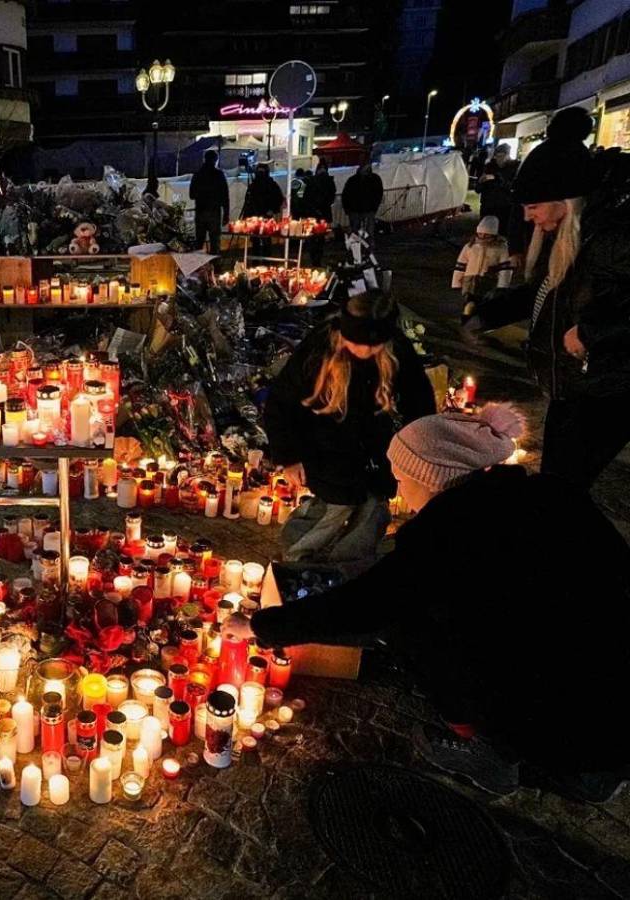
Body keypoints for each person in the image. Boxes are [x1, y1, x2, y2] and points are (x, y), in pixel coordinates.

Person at [245, 404, 630, 801]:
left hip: (571, 722)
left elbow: (364, 606)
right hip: (617, 683)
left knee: (409, 626)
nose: (398, 490)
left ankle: (494, 755)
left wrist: (260, 627)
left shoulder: (447, 534)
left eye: (400, 478)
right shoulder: (550, 493)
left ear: (427, 476)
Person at [476, 106, 630, 491]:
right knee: (557, 484)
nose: (528, 217)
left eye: (533, 207)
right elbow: (545, 293)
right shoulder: (564, 238)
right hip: (571, 385)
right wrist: (488, 313)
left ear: (566, 199)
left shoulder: (610, 240)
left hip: (606, 391)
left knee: (560, 488)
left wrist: (591, 331)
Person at [263, 291, 436, 563]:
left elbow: (420, 403)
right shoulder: (319, 349)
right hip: (326, 449)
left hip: (377, 453)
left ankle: (346, 567)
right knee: (332, 510)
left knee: (371, 513)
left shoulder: (398, 351)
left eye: (373, 346)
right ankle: (295, 562)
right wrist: (288, 456)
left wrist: (417, 458)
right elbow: (282, 402)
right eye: (356, 343)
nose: (364, 352)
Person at [451, 215, 513, 321]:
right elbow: (461, 265)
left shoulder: (501, 249)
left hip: (488, 281)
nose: (482, 237)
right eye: (480, 234)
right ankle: (467, 321)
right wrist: (456, 282)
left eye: (486, 234)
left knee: (485, 304)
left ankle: (481, 321)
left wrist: (502, 286)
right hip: (470, 281)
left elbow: (505, 269)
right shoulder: (469, 247)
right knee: (469, 304)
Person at [189, 148, 230, 253]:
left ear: (204, 159)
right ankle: (214, 262)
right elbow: (225, 196)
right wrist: (226, 214)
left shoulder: (197, 175)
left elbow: (191, 195)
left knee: (199, 242)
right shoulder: (219, 175)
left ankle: (198, 262)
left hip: (200, 212)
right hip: (214, 212)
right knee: (215, 243)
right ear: (216, 160)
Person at [477, 143, 518, 236]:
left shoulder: (514, 167)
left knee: (502, 234)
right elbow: (478, 189)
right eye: (497, 156)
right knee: (484, 234)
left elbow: (514, 187)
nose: (499, 159)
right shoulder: (489, 167)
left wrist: (498, 179)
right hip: (488, 208)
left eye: (502, 156)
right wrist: (480, 182)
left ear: (508, 155)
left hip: (504, 208)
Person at [305, 161, 337, 266]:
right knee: (317, 237)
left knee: (317, 237)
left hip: (317, 212)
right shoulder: (326, 181)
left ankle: (316, 258)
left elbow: (308, 196)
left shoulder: (316, 181)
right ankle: (316, 258)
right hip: (319, 212)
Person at [341, 161, 384, 238]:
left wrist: (374, 207)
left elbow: (378, 194)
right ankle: (362, 244)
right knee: (359, 232)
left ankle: (366, 244)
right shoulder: (354, 180)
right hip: (358, 210)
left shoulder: (354, 180)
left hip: (365, 210)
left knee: (366, 232)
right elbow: (346, 195)